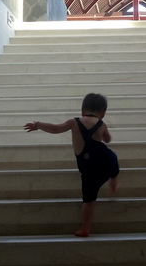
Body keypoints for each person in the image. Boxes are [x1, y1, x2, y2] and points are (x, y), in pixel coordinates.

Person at [24, 92, 120, 237]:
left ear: (82, 110)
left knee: (89, 201)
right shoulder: (102, 124)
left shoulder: (74, 122)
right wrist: (104, 132)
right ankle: (113, 179)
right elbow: (108, 140)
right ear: (103, 113)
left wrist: (38, 125)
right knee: (112, 157)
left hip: (88, 168)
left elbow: (55, 128)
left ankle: (85, 228)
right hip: (104, 162)